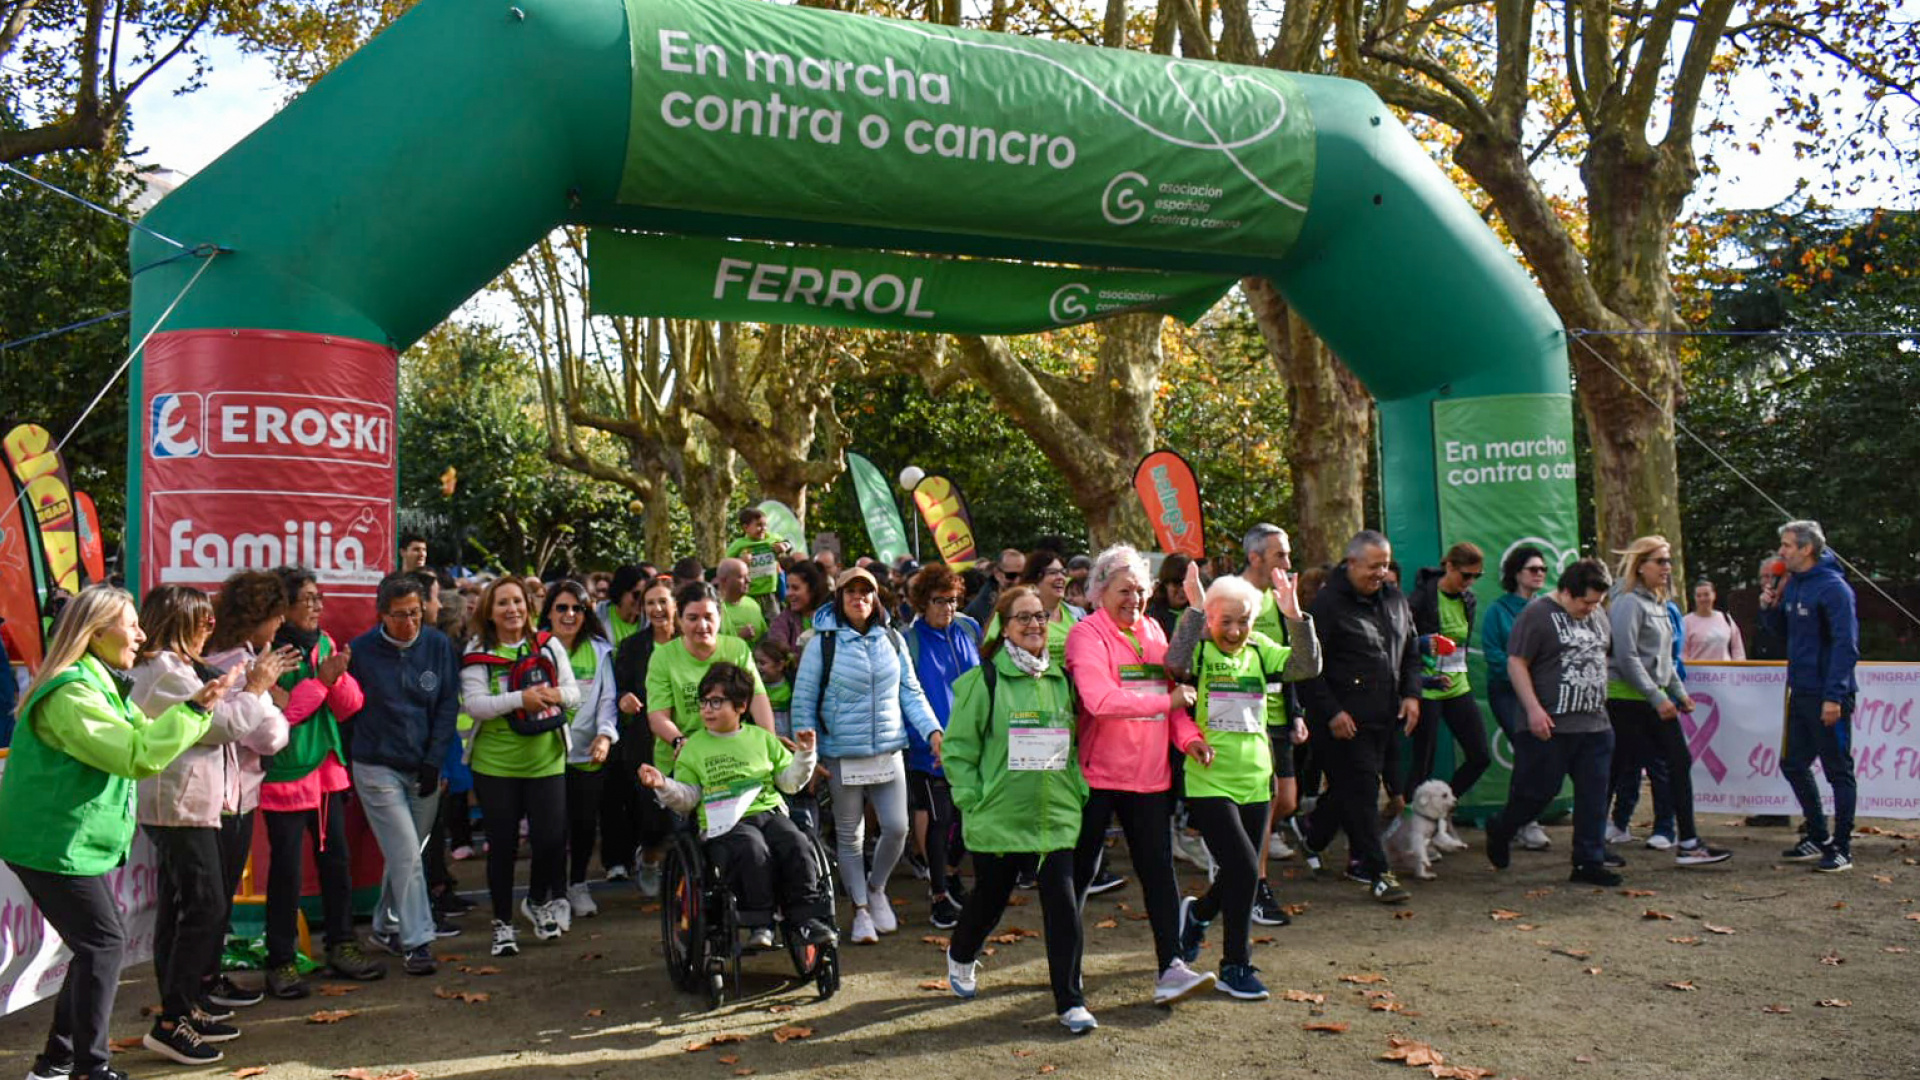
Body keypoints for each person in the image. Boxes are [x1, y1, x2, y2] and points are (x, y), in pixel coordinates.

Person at [0, 586, 233, 1080]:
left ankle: (59, 1062)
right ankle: (86, 1066)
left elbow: (141, 741)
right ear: (95, 631)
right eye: (131, 624)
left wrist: (196, 705)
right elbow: (134, 755)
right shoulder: (72, 691)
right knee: (102, 944)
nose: (141, 634)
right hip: (51, 845)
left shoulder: (100, 681)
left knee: (95, 946)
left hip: (66, 844)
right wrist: (193, 711)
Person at [129, 585, 291, 1063]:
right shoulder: (162, 672)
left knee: (190, 907)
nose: (210, 629)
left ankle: (185, 1007)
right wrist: (258, 687)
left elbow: (254, 728)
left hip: (193, 804)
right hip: (176, 807)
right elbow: (222, 725)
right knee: (202, 907)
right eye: (202, 622)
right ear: (181, 622)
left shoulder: (180, 669)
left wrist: (247, 693)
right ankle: (172, 1018)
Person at [1063, 544, 1215, 1004]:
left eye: (1141, 590)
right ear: (1098, 591)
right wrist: (1167, 703)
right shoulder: (1086, 635)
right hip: (1098, 777)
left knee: (1159, 873)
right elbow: (1101, 701)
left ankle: (1172, 967)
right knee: (1079, 875)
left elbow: (1175, 701)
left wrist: (1190, 739)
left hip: (1150, 777)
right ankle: (1065, 969)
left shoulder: (1153, 630)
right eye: (1124, 590)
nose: (1134, 599)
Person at [941, 585, 1096, 1033]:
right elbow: (958, 751)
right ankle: (962, 953)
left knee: (1064, 906)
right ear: (1003, 628)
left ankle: (1070, 1001)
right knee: (989, 903)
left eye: (1041, 617)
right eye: (1023, 618)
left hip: (1056, 816)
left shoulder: (1062, 680)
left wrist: (1077, 788)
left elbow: (1074, 744)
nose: (1034, 625)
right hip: (1000, 817)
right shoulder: (983, 682)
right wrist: (973, 799)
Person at [1166, 567, 1320, 1001]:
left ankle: (1198, 915)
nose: (1234, 631)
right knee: (1246, 869)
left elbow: (1306, 666)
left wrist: (1295, 617)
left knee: (1242, 873)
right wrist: (1195, 612)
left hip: (1256, 776)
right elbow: (1174, 664)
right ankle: (1236, 963)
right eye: (1224, 621)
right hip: (1209, 777)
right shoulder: (1198, 652)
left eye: (1243, 621)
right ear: (1209, 619)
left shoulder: (1259, 649)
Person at [791, 567, 943, 945]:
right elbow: (804, 701)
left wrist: (933, 731)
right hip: (842, 754)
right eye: (850, 592)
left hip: (889, 750)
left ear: (876, 598)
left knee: (897, 828)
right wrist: (807, 758)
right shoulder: (820, 644)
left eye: (866, 592)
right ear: (839, 599)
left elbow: (911, 691)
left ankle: (876, 889)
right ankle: (860, 909)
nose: (859, 598)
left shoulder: (892, 639)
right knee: (850, 834)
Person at [639, 663, 835, 952]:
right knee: (752, 848)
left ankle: (805, 918)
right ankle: (760, 923)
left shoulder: (762, 739)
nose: (707, 709)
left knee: (796, 842)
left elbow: (790, 783)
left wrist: (805, 755)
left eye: (716, 702)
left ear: (741, 705)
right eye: (704, 701)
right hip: (724, 821)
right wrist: (662, 785)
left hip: (768, 811)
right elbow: (689, 797)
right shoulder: (693, 748)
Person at [261, 567, 382, 998]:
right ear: (284, 606)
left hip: (328, 774)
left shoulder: (326, 643)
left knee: (337, 864)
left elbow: (350, 707)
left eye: (318, 598)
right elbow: (286, 714)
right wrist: (322, 681)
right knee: (287, 873)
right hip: (287, 775)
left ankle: (343, 945)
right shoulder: (268, 651)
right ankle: (280, 961)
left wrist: (340, 677)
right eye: (306, 599)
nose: (315, 606)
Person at [1296, 531, 1421, 904]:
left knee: (1350, 789)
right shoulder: (1326, 607)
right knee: (1365, 790)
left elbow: (1411, 649)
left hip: (1386, 715)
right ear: (1350, 564)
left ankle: (1314, 835)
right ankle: (1378, 872)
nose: (1380, 572)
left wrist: (1413, 694)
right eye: (1373, 565)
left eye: (1385, 565)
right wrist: (1332, 711)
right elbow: (1307, 668)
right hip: (1343, 721)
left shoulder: (1396, 600)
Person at [348, 572, 462, 975]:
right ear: (382, 614)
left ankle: (385, 925)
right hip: (376, 764)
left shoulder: (438, 645)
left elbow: (448, 704)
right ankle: (418, 941)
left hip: (423, 765)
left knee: (406, 854)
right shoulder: (361, 651)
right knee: (406, 855)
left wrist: (435, 761)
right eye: (400, 615)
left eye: (415, 613)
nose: (410, 623)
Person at [461, 575, 581, 956]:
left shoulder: (548, 646)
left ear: (528, 608)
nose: (512, 609)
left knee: (549, 841)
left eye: (517, 602)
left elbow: (574, 694)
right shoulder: (477, 651)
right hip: (495, 764)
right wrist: (519, 700)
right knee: (503, 846)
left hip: (547, 758)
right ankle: (502, 923)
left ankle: (537, 901)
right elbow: (474, 705)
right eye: (502, 603)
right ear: (489, 612)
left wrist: (551, 695)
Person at [1485, 558, 1623, 884]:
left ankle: (1588, 861)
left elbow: (1602, 654)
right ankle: (1503, 825)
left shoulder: (1597, 613)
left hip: (1594, 723)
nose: (1591, 608)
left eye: (1597, 602)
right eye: (1585, 602)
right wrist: (1532, 709)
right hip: (1550, 723)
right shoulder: (1536, 615)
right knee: (1537, 792)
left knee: (1594, 793)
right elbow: (1516, 663)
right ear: (1565, 591)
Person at [200, 570, 299, 1009]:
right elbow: (268, 738)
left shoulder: (221, 655)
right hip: (226, 796)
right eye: (276, 616)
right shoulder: (236, 665)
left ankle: (204, 982)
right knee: (210, 902)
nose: (280, 625)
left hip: (228, 792)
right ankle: (199, 988)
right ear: (257, 616)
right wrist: (270, 700)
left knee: (211, 900)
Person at [1604, 536, 1731, 867]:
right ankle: (1591, 842)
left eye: (1669, 561)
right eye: (1660, 561)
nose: (1667, 568)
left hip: (1650, 698)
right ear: (1640, 565)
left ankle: (1687, 840)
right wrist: (1659, 696)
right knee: (1615, 770)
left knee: (1675, 763)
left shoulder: (1659, 603)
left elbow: (1665, 659)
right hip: (1626, 700)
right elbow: (1626, 656)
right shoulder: (1628, 602)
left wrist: (1679, 693)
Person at [1761, 520, 1860, 873]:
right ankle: (1817, 834)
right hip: (1799, 691)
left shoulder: (1834, 589)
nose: (1781, 552)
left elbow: (1845, 647)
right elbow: (1782, 634)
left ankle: (1843, 846)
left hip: (1826, 695)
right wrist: (1769, 606)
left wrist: (1833, 696)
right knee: (1793, 763)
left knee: (1838, 771)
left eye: (1787, 545)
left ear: (1806, 549)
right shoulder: (1792, 585)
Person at [1234, 524, 1310, 921]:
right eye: (1280, 555)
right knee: (1263, 804)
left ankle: (1235, 856)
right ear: (1255, 557)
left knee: (1286, 801)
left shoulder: (1280, 597)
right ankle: (1256, 886)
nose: (1288, 563)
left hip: (1279, 713)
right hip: (1241, 718)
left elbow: (1291, 659)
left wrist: (1296, 712)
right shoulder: (1232, 595)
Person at [904, 563, 983, 929]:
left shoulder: (968, 628)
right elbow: (906, 694)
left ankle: (950, 873)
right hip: (929, 747)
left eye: (953, 600)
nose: (947, 608)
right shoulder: (909, 640)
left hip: (973, 743)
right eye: (939, 601)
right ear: (923, 602)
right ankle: (938, 896)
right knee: (939, 819)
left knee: (969, 815)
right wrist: (927, 735)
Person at [540, 580, 620, 917]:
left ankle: (577, 884)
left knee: (584, 824)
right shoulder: (535, 648)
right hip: (545, 754)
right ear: (549, 612)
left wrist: (604, 735)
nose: (570, 614)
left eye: (577, 608)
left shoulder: (601, 650)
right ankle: (553, 891)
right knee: (551, 827)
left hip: (587, 754)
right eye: (562, 607)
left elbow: (608, 699)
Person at [1404, 542, 1495, 803]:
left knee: (1480, 756)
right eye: (1466, 575)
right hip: (1427, 689)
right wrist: (1422, 651)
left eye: (1477, 576)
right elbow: (1400, 641)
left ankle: (1442, 805)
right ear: (1449, 566)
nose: (1470, 582)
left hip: (1458, 686)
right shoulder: (1421, 598)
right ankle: (1412, 823)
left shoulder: (1468, 599)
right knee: (1423, 764)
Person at [611, 576, 681, 895]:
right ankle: (650, 859)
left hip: (689, 737)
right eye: (650, 603)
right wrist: (624, 698)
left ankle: (684, 869)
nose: (656, 609)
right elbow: (618, 688)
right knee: (652, 812)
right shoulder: (632, 647)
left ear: (675, 605)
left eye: (662, 601)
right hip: (644, 740)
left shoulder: (691, 641)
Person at [1481, 546, 1553, 852]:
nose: (1539, 574)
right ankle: (1523, 822)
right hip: (1507, 693)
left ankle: (1517, 819)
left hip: (1541, 694)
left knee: (1536, 756)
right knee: (1526, 750)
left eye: (1543, 570)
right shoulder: (1497, 611)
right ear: (1516, 574)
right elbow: (1494, 655)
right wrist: (1522, 670)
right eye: (1533, 569)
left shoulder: (1548, 608)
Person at [646, 582, 776, 749]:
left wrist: (770, 743)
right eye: (693, 618)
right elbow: (658, 716)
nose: (702, 625)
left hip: (731, 750)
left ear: (720, 617)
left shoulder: (737, 649)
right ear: (680, 619)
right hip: (681, 755)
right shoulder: (663, 657)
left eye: (708, 617)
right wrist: (680, 742)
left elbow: (758, 698)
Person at [987, 548, 1078, 668]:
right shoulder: (1010, 611)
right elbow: (990, 654)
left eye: (1063, 572)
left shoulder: (1076, 614)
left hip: (1070, 685)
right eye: (1052, 572)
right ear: (1035, 578)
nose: (1060, 577)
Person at [727, 506, 791, 622]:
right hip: (750, 593)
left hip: (770, 591)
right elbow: (725, 565)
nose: (763, 529)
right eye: (758, 525)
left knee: (774, 622)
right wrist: (740, 562)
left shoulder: (772, 538)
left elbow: (788, 543)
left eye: (765, 525)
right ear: (745, 528)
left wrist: (784, 546)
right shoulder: (739, 544)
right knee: (753, 621)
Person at [767, 558, 828, 655]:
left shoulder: (833, 618)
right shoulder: (782, 621)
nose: (788, 593)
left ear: (813, 589)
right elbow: (776, 650)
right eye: (787, 587)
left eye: (795, 588)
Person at [1683, 579, 1746, 661]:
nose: (1702, 599)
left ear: (1714, 595)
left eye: (1706, 595)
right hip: (1697, 672)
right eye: (1699, 596)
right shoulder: (1686, 622)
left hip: (1724, 672)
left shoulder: (1725, 618)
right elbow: (1682, 653)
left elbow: (1738, 649)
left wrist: (1738, 668)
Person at [965, 547, 1025, 625]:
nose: (1018, 581)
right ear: (997, 574)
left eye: (1023, 575)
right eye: (1011, 576)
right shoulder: (982, 608)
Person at [715, 557, 767, 642]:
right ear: (724, 580)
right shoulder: (713, 609)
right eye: (741, 577)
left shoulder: (752, 604)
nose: (748, 580)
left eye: (748, 576)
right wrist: (739, 638)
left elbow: (764, 637)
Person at [598, 565, 648, 648]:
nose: (641, 600)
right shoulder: (598, 618)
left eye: (645, 595)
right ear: (621, 591)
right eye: (636, 594)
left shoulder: (650, 623)